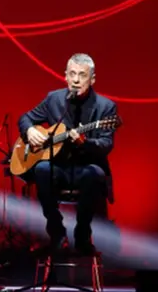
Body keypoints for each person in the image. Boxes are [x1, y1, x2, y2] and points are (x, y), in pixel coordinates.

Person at [18, 53, 117, 253]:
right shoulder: (54, 99)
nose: (76, 80)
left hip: (86, 169)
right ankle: (56, 231)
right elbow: (25, 118)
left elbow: (106, 143)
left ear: (92, 79)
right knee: (42, 169)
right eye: (72, 74)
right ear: (65, 76)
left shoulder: (106, 107)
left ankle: (82, 234)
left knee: (93, 174)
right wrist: (29, 130)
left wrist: (85, 143)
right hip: (59, 168)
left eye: (82, 75)